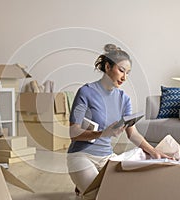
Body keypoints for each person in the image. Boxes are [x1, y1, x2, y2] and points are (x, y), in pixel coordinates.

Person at [67, 44, 171, 196]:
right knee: (100, 196)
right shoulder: (86, 92)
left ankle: (84, 184)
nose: (124, 77)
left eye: (128, 73)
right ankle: (83, 182)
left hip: (107, 157)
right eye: (121, 70)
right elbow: (73, 132)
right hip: (81, 155)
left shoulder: (124, 99)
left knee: (125, 192)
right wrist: (103, 133)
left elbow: (132, 134)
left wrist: (153, 151)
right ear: (108, 67)